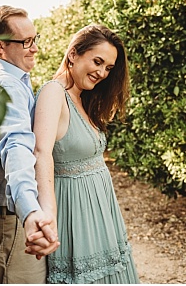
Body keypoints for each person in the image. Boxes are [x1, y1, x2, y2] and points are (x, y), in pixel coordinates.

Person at [28, 24, 140, 283]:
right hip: (76, 212)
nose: (102, 73)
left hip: (101, 210)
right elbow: (41, 152)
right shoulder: (54, 92)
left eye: (108, 68)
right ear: (73, 54)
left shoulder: (82, 96)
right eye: (97, 62)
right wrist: (48, 214)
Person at [0, 5, 59, 283]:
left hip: (11, 218)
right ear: (0, 46)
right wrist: (30, 212)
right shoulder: (5, 86)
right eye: (26, 41)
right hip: (11, 221)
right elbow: (16, 149)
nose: (35, 48)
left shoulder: (13, 80)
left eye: (35, 38)